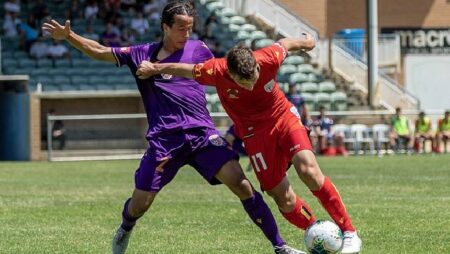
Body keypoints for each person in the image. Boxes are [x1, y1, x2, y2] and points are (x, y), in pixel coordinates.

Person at [42, 2, 303, 254]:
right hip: (165, 140)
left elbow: (224, 74)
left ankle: (279, 246)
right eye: (180, 27)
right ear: (165, 27)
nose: (186, 33)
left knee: (242, 185)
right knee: (140, 204)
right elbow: (100, 51)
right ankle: (126, 226)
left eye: (189, 27)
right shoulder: (141, 54)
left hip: (202, 135)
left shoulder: (199, 49)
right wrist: (69, 36)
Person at [136, 34, 362, 253]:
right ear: (230, 74)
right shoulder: (215, 70)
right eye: (244, 81)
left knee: (308, 169)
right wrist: (155, 68)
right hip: (254, 134)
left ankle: (349, 232)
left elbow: (286, 44)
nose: (251, 84)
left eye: (253, 75)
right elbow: (184, 69)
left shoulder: (268, 57)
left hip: (282, 117)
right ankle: (317, 232)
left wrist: (307, 42)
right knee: (281, 197)